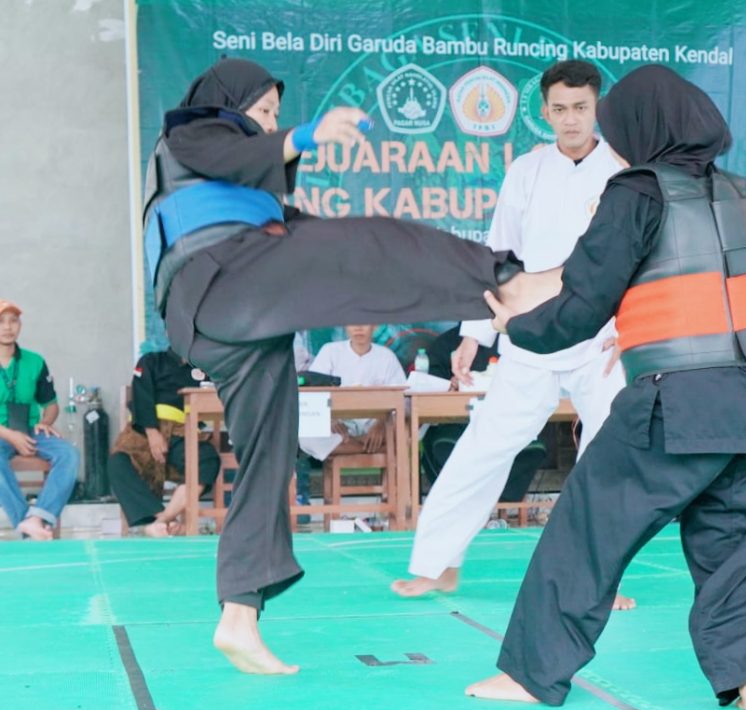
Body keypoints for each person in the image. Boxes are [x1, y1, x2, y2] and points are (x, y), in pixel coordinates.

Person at [144, 58, 559, 675]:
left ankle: (239, 614)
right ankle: (507, 280)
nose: (270, 126)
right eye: (261, 112)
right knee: (375, 242)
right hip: (222, 283)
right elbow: (234, 157)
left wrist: (339, 239)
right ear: (227, 105)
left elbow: (290, 221)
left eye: (276, 118)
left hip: (226, 321)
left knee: (266, 453)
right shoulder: (189, 133)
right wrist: (305, 136)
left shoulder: (249, 202)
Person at [467, 66, 746, 710]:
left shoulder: (638, 191)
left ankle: (533, 673)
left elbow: (581, 305)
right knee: (733, 546)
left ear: (642, 128)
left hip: (680, 404)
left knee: (585, 528)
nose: (614, 145)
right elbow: (718, 300)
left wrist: (514, 327)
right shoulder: (739, 193)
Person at [391, 60, 631, 609]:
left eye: (581, 108)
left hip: (602, 337)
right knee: (484, 444)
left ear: (597, 109)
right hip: (531, 332)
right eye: (560, 109)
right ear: (544, 112)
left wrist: (632, 326)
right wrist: (475, 335)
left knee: (608, 458)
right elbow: (499, 257)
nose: (570, 120)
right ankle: (437, 565)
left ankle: (598, 579)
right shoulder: (526, 170)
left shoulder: (623, 171)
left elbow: (640, 258)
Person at [418, 326, 548, 504]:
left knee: (532, 449)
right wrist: (450, 386)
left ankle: (499, 509)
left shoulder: (513, 342)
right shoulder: (445, 343)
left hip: (504, 426)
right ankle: (462, 506)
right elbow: (429, 388)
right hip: (457, 426)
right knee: (441, 447)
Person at [108, 350, 221, 536]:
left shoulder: (206, 366)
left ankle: (162, 520)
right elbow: (140, 395)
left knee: (207, 460)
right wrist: (152, 432)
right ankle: (156, 521)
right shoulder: (152, 361)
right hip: (146, 431)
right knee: (118, 463)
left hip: (184, 433)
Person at [0, 300, 79, 541]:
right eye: (1, 321)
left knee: (69, 454)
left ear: (20, 326)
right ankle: (24, 520)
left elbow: (51, 405)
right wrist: (9, 435)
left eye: (13, 321)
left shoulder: (34, 361)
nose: (7, 327)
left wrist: (46, 421)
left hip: (30, 432)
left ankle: (38, 518)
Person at [304, 325, 406, 456]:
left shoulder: (387, 356)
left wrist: (381, 424)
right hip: (340, 425)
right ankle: (368, 447)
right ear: (345, 326)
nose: (358, 328)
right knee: (306, 437)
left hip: (374, 424)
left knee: (408, 428)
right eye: (353, 323)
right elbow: (313, 392)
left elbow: (400, 398)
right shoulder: (330, 351)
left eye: (364, 323)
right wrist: (331, 420)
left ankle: (352, 444)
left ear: (374, 327)